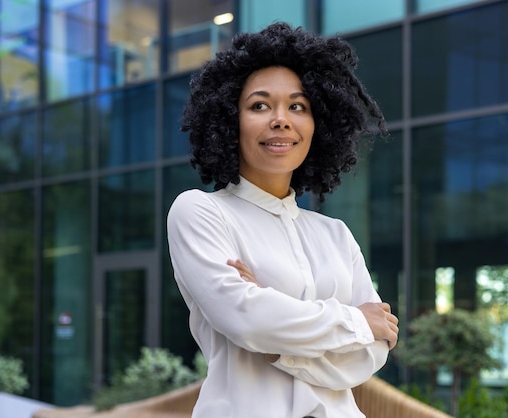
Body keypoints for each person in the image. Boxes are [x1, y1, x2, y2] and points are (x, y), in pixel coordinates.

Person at [166, 22, 399, 418]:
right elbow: (247, 319)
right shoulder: (200, 211)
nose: (281, 119)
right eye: (259, 105)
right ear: (229, 121)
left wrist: (278, 341)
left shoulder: (335, 234)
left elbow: (371, 355)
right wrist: (356, 321)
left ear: (318, 124)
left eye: (298, 106)